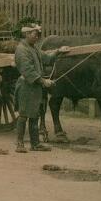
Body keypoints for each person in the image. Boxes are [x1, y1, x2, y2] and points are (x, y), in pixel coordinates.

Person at [14, 24, 68, 152]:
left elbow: (47, 58)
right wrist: (43, 81)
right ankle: (19, 144)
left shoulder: (34, 48)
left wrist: (58, 51)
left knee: (34, 114)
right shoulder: (22, 50)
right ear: (27, 34)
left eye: (38, 35)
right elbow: (28, 71)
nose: (37, 37)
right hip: (26, 86)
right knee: (23, 114)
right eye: (35, 34)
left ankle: (35, 144)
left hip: (35, 86)